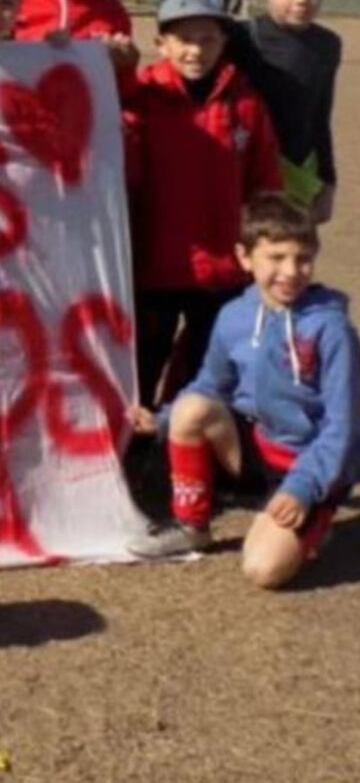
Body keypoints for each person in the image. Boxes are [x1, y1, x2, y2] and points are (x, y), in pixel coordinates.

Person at [128, 193, 360, 589]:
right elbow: (209, 385)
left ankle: (313, 516)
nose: (291, 271)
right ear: (244, 257)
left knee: (262, 571)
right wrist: (163, 418)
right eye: (276, 257)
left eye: (302, 258)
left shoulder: (331, 329)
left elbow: (344, 427)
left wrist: (303, 488)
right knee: (191, 408)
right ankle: (192, 525)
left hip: (309, 464)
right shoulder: (233, 316)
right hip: (255, 451)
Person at [125, 0, 282, 409]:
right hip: (152, 266)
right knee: (141, 364)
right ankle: (135, 450)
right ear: (161, 42)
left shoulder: (247, 103)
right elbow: (125, 177)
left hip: (222, 270)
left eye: (207, 38)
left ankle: (178, 446)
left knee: (204, 370)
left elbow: (265, 182)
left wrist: (263, 246)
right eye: (183, 39)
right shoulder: (140, 98)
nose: (195, 50)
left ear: (224, 41)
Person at [227, 0, 341, 225]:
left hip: (299, 180)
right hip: (244, 177)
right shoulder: (238, 39)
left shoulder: (328, 45)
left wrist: (328, 182)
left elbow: (319, 116)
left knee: (289, 266)